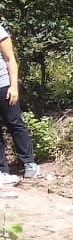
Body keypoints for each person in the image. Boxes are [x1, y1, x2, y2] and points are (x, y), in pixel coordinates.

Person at [0, 23, 38, 183]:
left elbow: (10, 59)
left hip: (3, 85)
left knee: (14, 123)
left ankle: (29, 163)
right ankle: (3, 171)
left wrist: (14, 86)